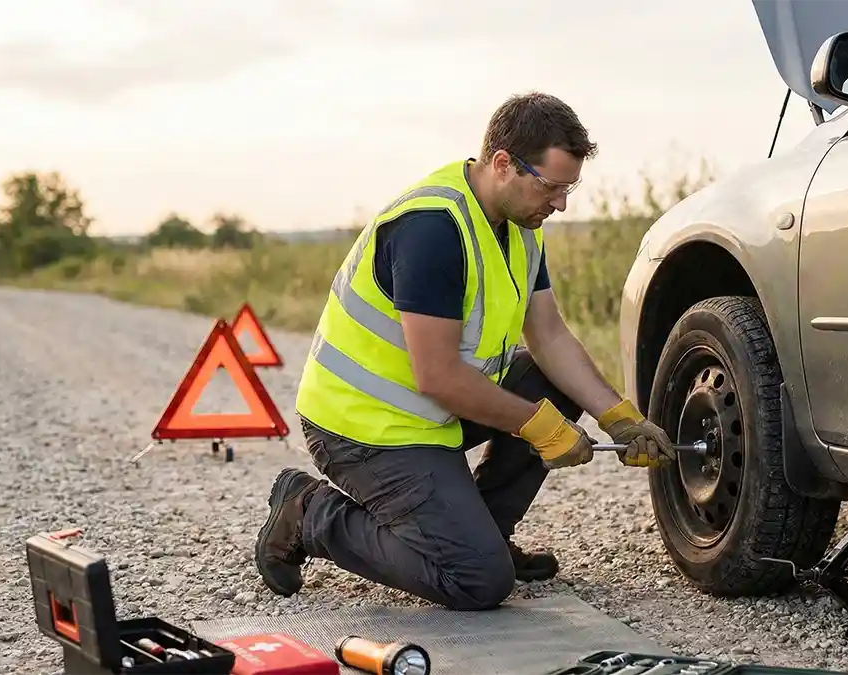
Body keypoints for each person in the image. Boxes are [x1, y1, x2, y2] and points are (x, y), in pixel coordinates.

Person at [253, 91, 677, 611]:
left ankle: (485, 533)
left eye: (570, 188)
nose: (561, 203)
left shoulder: (520, 227)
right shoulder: (432, 229)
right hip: (368, 428)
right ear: (503, 164)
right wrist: (539, 427)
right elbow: (438, 377)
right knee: (477, 580)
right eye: (552, 186)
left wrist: (619, 417)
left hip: (432, 415)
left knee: (546, 382)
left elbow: (550, 337)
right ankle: (310, 512)